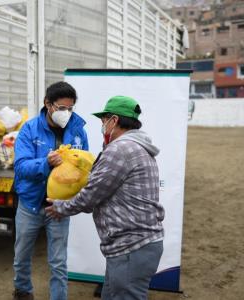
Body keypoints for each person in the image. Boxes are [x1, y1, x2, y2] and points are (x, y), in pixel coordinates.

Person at [45, 95, 165, 300]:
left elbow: (92, 195)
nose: (102, 126)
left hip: (131, 247)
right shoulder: (138, 147)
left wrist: (61, 207)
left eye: (103, 121)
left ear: (114, 120)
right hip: (135, 245)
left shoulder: (120, 149)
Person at [12, 81, 89, 300]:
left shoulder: (77, 132)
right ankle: (23, 291)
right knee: (22, 255)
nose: (67, 113)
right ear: (48, 104)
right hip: (30, 204)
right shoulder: (30, 129)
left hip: (59, 207)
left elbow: (83, 167)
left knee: (58, 262)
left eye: (71, 108)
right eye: (62, 108)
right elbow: (21, 167)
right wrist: (46, 163)